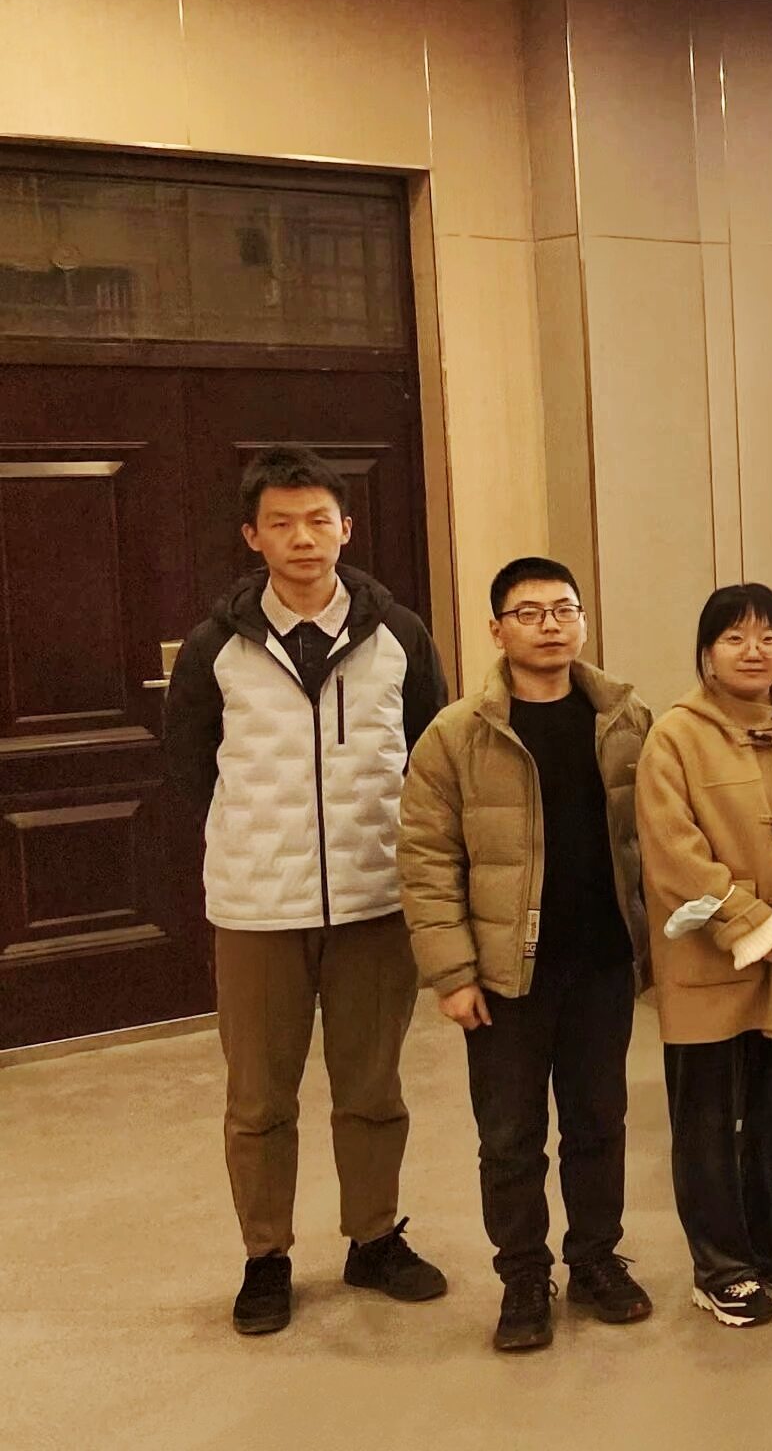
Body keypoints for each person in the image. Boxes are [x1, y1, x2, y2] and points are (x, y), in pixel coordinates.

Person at [161, 445, 452, 1336]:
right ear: (253, 537)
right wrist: (256, 841)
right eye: (281, 523)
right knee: (258, 1102)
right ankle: (266, 1258)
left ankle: (374, 1238)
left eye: (318, 520)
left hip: (374, 900)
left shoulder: (398, 635)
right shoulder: (214, 646)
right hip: (257, 909)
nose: (302, 538)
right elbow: (190, 768)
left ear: (346, 529)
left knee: (372, 1088)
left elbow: (432, 756)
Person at [399, 558, 653, 1352]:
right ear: (496, 629)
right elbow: (427, 859)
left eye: (563, 610)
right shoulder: (457, 735)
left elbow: (653, 840)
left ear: (583, 621)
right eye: (530, 613)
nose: (550, 626)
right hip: (506, 975)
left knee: (599, 1122)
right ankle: (522, 1277)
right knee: (510, 1137)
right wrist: (452, 972)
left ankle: (596, 1259)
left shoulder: (624, 720)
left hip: (601, 962)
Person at [636, 583, 772, 1327]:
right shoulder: (674, 737)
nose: (753, 650)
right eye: (734, 637)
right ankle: (720, 1268)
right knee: (705, 1116)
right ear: (706, 654)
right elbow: (673, 853)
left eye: (770, 636)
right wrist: (756, 921)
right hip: (709, 958)